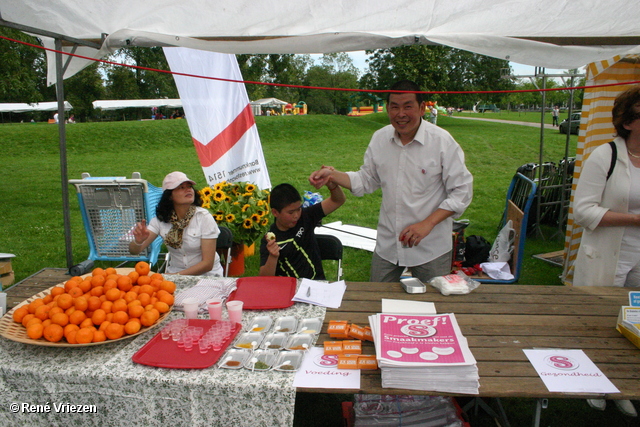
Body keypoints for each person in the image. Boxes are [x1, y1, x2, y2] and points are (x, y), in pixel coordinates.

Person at [309, 80, 473, 284]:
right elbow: (366, 180)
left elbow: (462, 191)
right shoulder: (380, 139)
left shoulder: (442, 141)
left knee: (433, 307)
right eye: (394, 107)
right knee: (378, 302)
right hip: (388, 244)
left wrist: (427, 224)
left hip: (430, 247)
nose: (400, 114)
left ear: (422, 108)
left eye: (408, 106)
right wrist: (331, 175)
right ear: (387, 109)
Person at [573, 86, 640, 418]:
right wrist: (634, 219)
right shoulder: (606, 156)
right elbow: (583, 212)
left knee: (635, 325)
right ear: (628, 122)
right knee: (600, 323)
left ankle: (623, 386)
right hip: (607, 253)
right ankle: (595, 383)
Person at [129, 171, 224, 276]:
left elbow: (207, 264)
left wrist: (177, 276)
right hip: (174, 274)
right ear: (169, 196)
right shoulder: (160, 220)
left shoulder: (204, 218)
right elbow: (134, 251)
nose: (188, 189)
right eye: (181, 187)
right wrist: (138, 241)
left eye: (189, 186)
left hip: (206, 276)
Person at [259, 179, 345, 279]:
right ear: (275, 212)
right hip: (288, 289)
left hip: (317, 284)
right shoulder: (270, 240)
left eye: (299, 209)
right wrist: (273, 257)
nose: (296, 215)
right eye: (291, 212)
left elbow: (338, 200)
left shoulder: (306, 216)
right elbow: (264, 279)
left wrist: (332, 184)